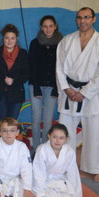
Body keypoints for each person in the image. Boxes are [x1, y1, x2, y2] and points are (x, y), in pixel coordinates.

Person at [56, 7, 99, 182]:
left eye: (87, 17)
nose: (83, 21)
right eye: (80, 17)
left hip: (92, 93)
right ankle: (65, 166)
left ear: (94, 19)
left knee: (95, 131)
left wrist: (85, 92)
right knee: (65, 132)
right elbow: (59, 67)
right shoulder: (67, 41)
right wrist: (67, 88)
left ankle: (96, 168)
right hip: (70, 92)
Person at [0, 24, 29, 139]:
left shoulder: (23, 54)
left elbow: (26, 74)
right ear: (3, 39)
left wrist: (14, 80)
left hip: (16, 94)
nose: (9, 41)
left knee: (12, 124)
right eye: (7, 38)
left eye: (12, 38)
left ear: (16, 39)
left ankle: (10, 151)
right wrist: (1, 79)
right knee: (1, 123)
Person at [29, 15, 63, 152]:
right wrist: (36, 88)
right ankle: (37, 149)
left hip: (52, 87)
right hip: (36, 85)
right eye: (45, 26)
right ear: (41, 28)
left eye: (50, 26)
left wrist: (56, 88)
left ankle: (46, 149)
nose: (48, 29)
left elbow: (62, 67)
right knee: (36, 119)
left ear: (55, 27)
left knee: (48, 120)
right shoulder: (34, 43)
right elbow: (32, 66)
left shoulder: (62, 43)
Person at [33, 123, 82, 197]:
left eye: (61, 138)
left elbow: (73, 173)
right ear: (49, 136)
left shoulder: (69, 151)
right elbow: (38, 172)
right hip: (45, 180)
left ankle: (61, 196)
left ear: (66, 139)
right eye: (54, 137)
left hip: (60, 180)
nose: (57, 141)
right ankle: (45, 194)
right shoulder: (42, 150)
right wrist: (39, 195)